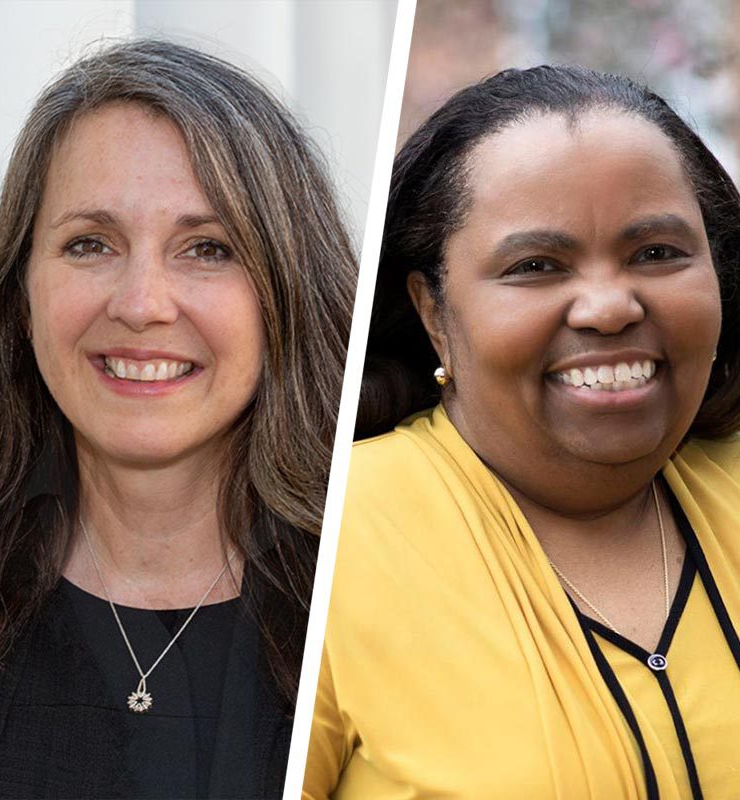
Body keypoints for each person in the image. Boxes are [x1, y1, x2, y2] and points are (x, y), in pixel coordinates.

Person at [0, 39, 354, 799]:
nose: (140, 304)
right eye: (89, 244)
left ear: (288, 290)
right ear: (18, 294)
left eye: (208, 248)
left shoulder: (370, 616)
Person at [304, 65, 740, 798]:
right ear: (434, 313)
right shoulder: (332, 532)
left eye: (657, 254)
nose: (608, 306)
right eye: (536, 266)